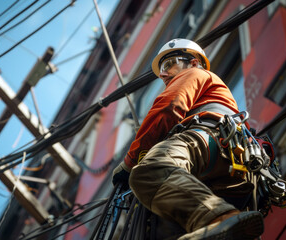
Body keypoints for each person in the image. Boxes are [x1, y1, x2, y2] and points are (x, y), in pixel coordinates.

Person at [112, 38, 264, 239]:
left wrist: (130, 162)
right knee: (163, 226)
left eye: (168, 65)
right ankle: (218, 225)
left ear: (193, 62)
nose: (163, 74)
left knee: (150, 171)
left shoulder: (196, 73)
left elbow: (168, 109)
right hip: (233, 172)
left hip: (210, 139)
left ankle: (219, 218)